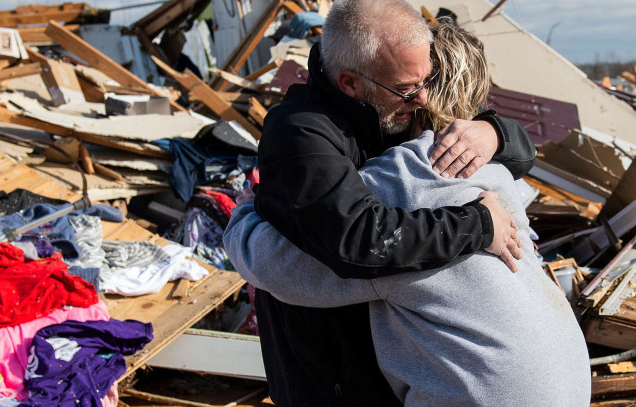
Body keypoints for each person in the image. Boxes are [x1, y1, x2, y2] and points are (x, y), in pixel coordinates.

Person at [225, 22, 590, 406]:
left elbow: (273, 265)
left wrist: (255, 205)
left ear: (421, 91)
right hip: (568, 384)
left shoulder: (400, 184)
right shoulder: (495, 172)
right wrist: (495, 132)